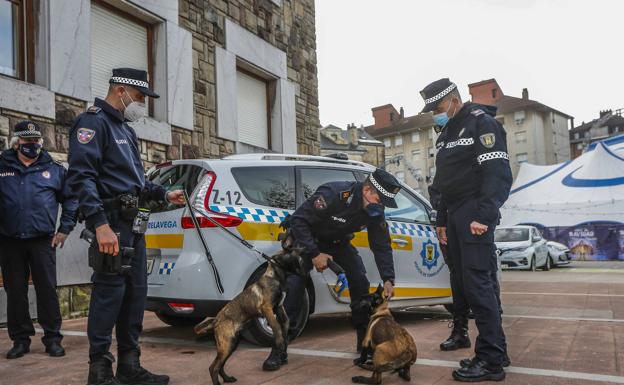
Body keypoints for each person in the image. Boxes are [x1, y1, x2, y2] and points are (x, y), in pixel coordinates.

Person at [67, 68, 185, 385]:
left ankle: (129, 367)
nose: (142, 103)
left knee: (135, 296)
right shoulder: (93, 123)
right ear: (121, 90)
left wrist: (163, 194)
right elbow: (81, 177)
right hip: (111, 224)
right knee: (109, 295)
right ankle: (100, 371)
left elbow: (136, 181)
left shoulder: (125, 129)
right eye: (139, 96)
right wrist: (100, 225)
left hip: (134, 225)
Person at [420, 78, 512, 382]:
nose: (435, 113)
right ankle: (496, 348)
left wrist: (484, 215)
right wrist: (442, 220)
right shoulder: (446, 134)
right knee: (467, 284)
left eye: (437, 107)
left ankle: (490, 360)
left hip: (475, 211)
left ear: (453, 101)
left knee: (478, 285)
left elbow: (497, 174)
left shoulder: (481, 124)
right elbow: (444, 184)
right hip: (457, 214)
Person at [262, 169, 400, 371]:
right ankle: (278, 349)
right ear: (367, 190)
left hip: (338, 243)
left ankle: (365, 344)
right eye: (379, 199)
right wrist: (315, 254)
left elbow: (381, 245)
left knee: (360, 281)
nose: (381, 205)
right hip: (308, 240)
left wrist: (388, 278)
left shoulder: (374, 212)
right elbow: (299, 220)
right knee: (295, 287)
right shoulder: (334, 194)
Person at [0, 120, 78, 359]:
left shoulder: (54, 169)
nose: (31, 145)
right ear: (16, 143)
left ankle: (52, 339)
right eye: (26, 141)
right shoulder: (2, 165)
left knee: (47, 290)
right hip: (9, 240)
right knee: (15, 292)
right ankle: (20, 340)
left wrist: (64, 229)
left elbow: (71, 199)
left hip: (43, 240)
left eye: (35, 141)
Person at [428, 184, 471, 352]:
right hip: (451, 229)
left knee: (481, 281)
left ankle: (492, 342)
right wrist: (441, 219)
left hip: (475, 225)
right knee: (457, 280)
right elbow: (437, 190)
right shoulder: (448, 164)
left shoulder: (477, 160)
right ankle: (460, 332)